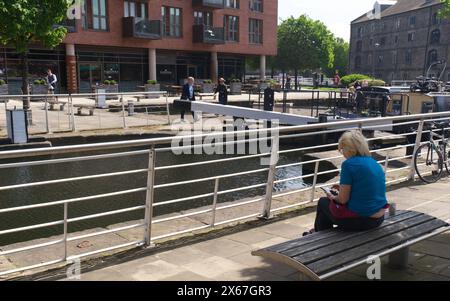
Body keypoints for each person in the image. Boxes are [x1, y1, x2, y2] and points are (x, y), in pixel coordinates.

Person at [303, 130, 389, 236]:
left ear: (348, 149)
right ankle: (319, 233)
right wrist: (342, 188)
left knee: (323, 202)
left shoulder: (349, 164)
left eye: (342, 149)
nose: (342, 153)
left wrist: (332, 197)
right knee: (328, 207)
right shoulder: (374, 163)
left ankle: (320, 238)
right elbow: (366, 188)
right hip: (379, 218)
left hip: (362, 221)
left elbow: (343, 200)